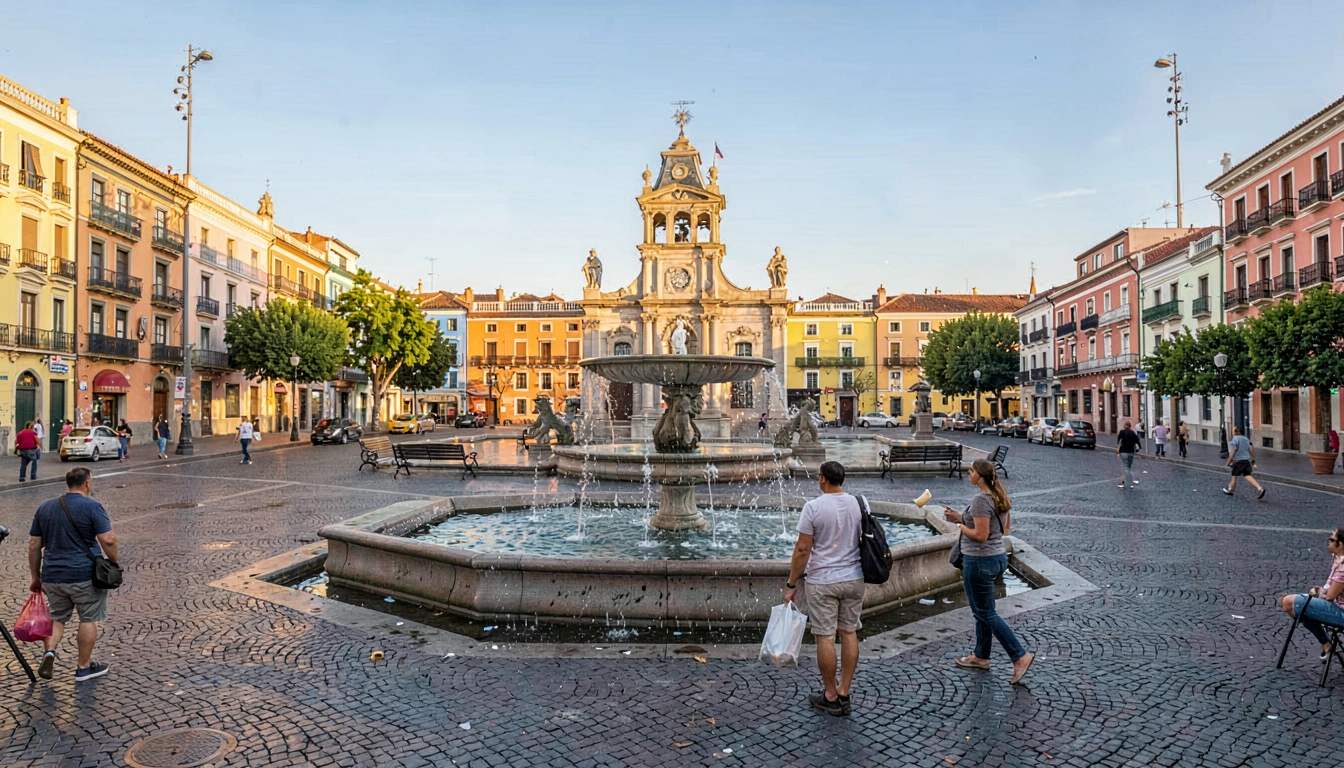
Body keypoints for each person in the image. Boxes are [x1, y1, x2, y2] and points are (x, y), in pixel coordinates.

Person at [943, 458, 1035, 684]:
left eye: (971, 470)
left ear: (980, 477)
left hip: (979, 560)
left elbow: (980, 535)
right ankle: (981, 656)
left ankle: (1019, 655)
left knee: (985, 612)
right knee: (982, 610)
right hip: (996, 557)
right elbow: (1003, 529)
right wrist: (963, 517)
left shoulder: (980, 501)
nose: (968, 473)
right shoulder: (999, 497)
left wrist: (959, 523)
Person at [783, 461, 863, 717]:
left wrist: (791, 584)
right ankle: (844, 691)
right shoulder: (859, 503)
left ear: (822, 479)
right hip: (854, 578)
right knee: (849, 632)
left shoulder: (813, 507)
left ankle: (830, 695)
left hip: (823, 581)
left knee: (826, 637)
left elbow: (803, 550)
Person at [27, 467, 118, 682]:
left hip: (52, 575)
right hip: (84, 575)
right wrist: (113, 561)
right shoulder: (93, 507)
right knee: (88, 617)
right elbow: (108, 539)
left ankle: (49, 653)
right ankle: (84, 668)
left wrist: (35, 576)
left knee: (57, 617)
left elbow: (34, 544)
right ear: (87, 483)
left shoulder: (46, 507)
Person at [1279, 527, 1344, 662]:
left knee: (1289, 603)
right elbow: (1330, 587)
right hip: (1337, 605)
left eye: (1332, 540)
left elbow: (1331, 596)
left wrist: (1317, 593)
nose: (1329, 542)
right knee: (1294, 604)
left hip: (1340, 612)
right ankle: (1326, 644)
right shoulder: (1338, 558)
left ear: (1341, 544)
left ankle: (1326, 643)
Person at [1224, 426, 1266, 499]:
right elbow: (1251, 448)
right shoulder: (1246, 439)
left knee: (1234, 476)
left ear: (1234, 432)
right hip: (1247, 460)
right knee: (1247, 475)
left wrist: (1228, 462)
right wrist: (1253, 460)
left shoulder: (1233, 440)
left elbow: (1233, 450)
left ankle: (1231, 491)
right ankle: (1260, 488)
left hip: (1238, 461)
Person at [1116, 420, 1142, 489]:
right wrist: (1139, 447)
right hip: (1131, 453)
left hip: (1124, 452)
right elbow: (1137, 441)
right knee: (1127, 467)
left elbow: (1119, 441)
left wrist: (1118, 451)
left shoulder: (1122, 432)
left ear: (1124, 426)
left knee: (1126, 468)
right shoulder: (1132, 433)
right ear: (1130, 427)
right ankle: (1122, 481)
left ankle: (1130, 483)